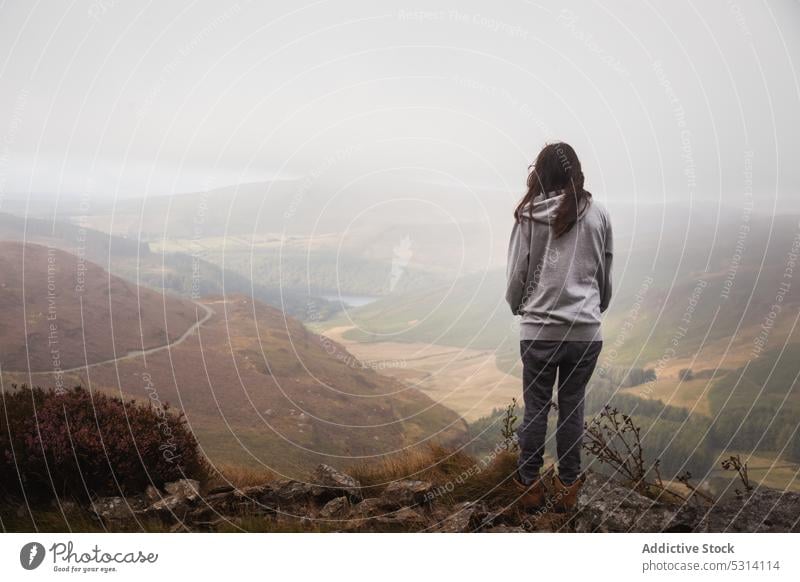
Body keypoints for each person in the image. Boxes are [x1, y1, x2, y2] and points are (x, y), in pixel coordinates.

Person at [505, 142, 613, 512]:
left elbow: (519, 274)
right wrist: (594, 309)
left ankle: (528, 485)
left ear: (541, 174)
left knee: (536, 407)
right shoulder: (598, 214)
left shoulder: (529, 215)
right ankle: (568, 488)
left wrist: (520, 307)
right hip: (585, 332)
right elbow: (603, 274)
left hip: (539, 331)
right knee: (572, 407)